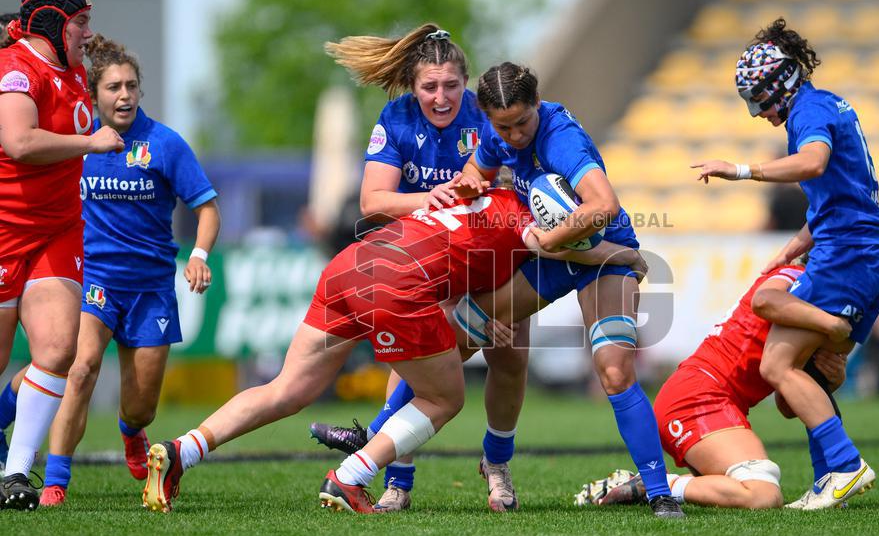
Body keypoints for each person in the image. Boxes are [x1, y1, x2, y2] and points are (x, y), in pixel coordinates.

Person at [139, 187, 644, 514]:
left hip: (352, 263)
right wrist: (627, 255)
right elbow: (559, 247)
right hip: (397, 287)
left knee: (285, 389)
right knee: (444, 398)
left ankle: (183, 450)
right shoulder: (531, 232)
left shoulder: (487, 194)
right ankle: (351, 475)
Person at [451, 62, 684, 519]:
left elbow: (603, 205)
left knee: (614, 370)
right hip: (551, 258)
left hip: (605, 253)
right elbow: (473, 172)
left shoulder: (562, 139)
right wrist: (472, 182)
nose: (515, 134)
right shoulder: (495, 132)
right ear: (488, 117)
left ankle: (659, 492)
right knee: (457, 335)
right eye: (504, 126)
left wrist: (546, 241)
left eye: (523, 122)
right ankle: (380, 442)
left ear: (538, 104)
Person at [319, 24, 532, 512]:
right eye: (430, 87)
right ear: (414, 88)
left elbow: (515, 185)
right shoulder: (395, 118)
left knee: (512, 355)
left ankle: (496, 464)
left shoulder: (486, 115)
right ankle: (399, 478)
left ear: (466, 82)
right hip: (422, 256)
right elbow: (372, 201)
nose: (441, 97)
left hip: (489, 253)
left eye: (451, 86)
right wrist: (426, 200)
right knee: (414, 363)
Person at [692, 19, 879, 509]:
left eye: (759, 98)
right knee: (808, 380)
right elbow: (842, 195)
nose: (758, 112)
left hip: (846, 257)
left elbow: (814, 162)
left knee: (777, 363)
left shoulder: (808, 112)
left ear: (781, 83)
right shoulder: (827, 103)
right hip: (865, 253)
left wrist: (742, 170)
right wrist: (795, 245)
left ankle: (845, 465)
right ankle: (832, 478)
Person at [8, 34, 218, 506]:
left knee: (141, 407)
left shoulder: (164, 144)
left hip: (150, 290)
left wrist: (200, 256)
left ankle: (130, 433)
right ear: (93, 93)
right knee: (78, 368)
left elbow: (207, 209)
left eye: (132, 86)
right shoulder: (73, 143)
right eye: (113, 87)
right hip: (92, 280)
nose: (124, 95)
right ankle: (56, 481)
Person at [574, 262, 850, 509]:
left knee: (749, 490)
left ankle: (660, 483)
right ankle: (653, 484)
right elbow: (764, 301)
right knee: (761, 493)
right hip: (697, 398)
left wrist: (830, 379)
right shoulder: (801, 285)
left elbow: (787, 406)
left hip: (706, 395)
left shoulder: (808, 287)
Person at [0, 0, 124, 511]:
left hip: (57, 229)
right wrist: (89, 143)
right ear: (52, 23)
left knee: (57, 350)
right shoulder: (15, 70)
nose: (86, 32)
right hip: (4, 232)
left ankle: (16, 474)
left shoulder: (71, 69)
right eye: (78, 22)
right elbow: (19, 143)